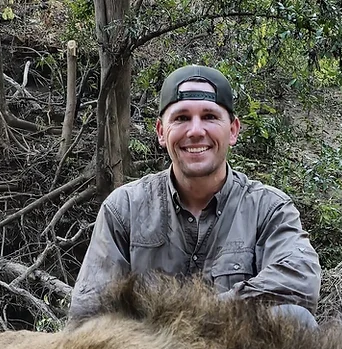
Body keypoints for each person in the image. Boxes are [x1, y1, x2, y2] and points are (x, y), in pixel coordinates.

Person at [70, 65, 322, 325]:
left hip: (237, 346)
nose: (196, 131)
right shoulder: (125, 208)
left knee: (297, 320)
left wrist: (199, 317)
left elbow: (299, 279)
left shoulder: (268, 208)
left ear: (233, 130)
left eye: (210, 116)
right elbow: (88, 311)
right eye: (181, 118)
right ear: (161, 132)